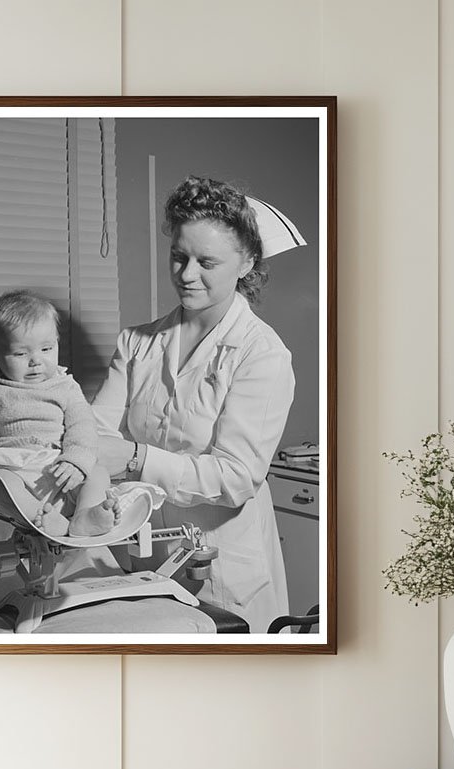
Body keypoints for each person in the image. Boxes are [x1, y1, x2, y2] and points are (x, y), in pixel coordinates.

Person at [92, 175, 299, 631]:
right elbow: (96, 435)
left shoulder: (260, 353)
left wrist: (135, 457)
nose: (186, 274)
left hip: (224, 567)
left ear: (246, 263)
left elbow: (237, 477)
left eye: (206, 261)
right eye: (178, 257)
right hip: (142, 552)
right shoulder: (138, 342)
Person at [0, 290, 119, 538]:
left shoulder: (67, 388)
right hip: (14, 466)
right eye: (20, 353)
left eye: (47, 349)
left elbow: (83, 426)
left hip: (58, 467)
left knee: (98, 473)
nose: (36, 361)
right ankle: (45, 519)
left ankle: (84, 516)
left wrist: (75, 460)